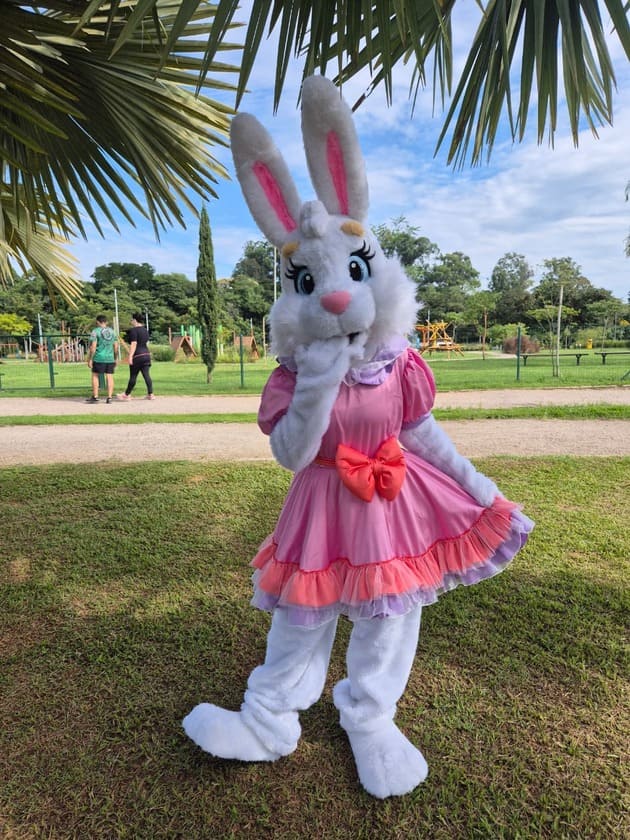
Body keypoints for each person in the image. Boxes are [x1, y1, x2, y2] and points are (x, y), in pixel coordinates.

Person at [117, 313, 154, 400]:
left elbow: (134, 344)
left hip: (138, 355)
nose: (131, 321)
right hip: (146, 354)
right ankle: (151, 394)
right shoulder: (145, 330)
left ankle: (126, 394)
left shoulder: (134, 330)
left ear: (135, 320)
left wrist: (130, 356)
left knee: (133, 376)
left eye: (132, 320)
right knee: (146, 375)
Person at [86, 314, 118, 404]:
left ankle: (95, 396)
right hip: (110, 357)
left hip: (99, 357)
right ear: (106, 322)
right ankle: (109, 397)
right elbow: (116, 346)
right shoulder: (112, 332)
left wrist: (90, 359)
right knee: (109, 376)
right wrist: (115, 358)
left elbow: (93, 347)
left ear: (97, 322)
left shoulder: (95, 331)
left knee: (95, 375)